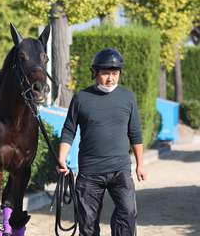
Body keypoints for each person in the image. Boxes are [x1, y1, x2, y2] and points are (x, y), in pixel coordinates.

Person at [57, 48, 147, 236]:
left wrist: (140, 164)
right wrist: (62, 158)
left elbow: (135, 133)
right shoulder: (81, 98)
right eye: (106, 73)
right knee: (88, 225)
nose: (111, 78)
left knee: (128, 212)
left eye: (115, 73)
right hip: (90, 172)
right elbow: (69, 131)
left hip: (120, 170)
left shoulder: (128, 97)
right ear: (95, 73)